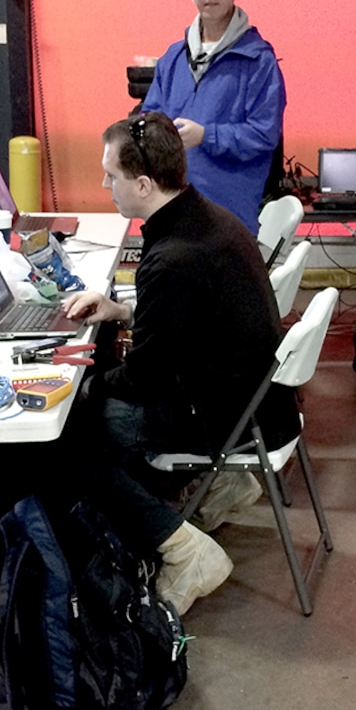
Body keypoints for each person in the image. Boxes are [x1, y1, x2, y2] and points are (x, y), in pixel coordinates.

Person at [59, 111, 298, 615]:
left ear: (144, 184)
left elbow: (145, 377)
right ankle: (224, 485)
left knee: (74, 442)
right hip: (256, 402)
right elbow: (191, 321)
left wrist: (82, 388)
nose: (105, 185)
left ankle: (184, 551)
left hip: (217, 414)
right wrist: (122, 311)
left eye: (112, 176)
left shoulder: (173, 257)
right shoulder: (204, 217)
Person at [140, 0, 286, 235]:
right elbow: (151, 115)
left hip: (228, 216)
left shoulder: (258, 61)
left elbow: (264, 135)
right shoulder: (173, 57)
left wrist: (206, 136)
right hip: (172, 207)